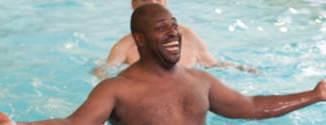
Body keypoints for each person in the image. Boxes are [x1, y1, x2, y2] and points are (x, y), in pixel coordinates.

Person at [0, 3, 326, 125]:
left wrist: (312, 94)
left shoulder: (200, 80)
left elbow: (250, 107)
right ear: (139, 40)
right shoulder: (118, 88)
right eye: (161, 30)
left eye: (174, 27)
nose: (173, 35)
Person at [91, 0, 257, 79]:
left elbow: (212, 64)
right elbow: (105, 71)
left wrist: (241, 68)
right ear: (134, 4)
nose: (153, 2)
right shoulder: (126, 45)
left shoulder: (189, 37)